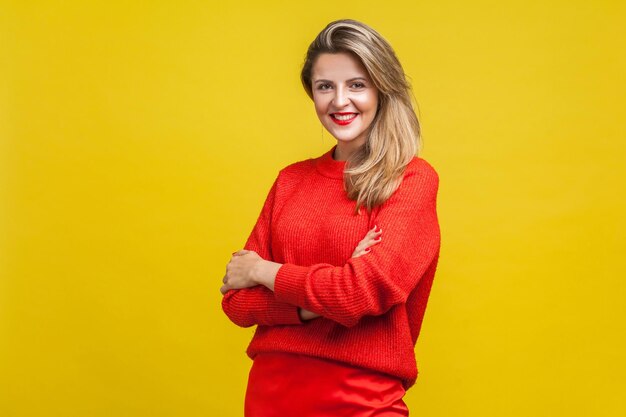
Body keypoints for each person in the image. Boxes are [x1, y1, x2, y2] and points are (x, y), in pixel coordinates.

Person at [220, 18, 441, 417]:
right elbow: (237, 303)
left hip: (361, 401)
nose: (340, 101)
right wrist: (323, 295)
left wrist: (264, 271)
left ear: (381, 89)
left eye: (357, 84)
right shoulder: (291, 180)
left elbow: (360, 293)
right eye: (326, 86)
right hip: (270, 397)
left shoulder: (410, 180)